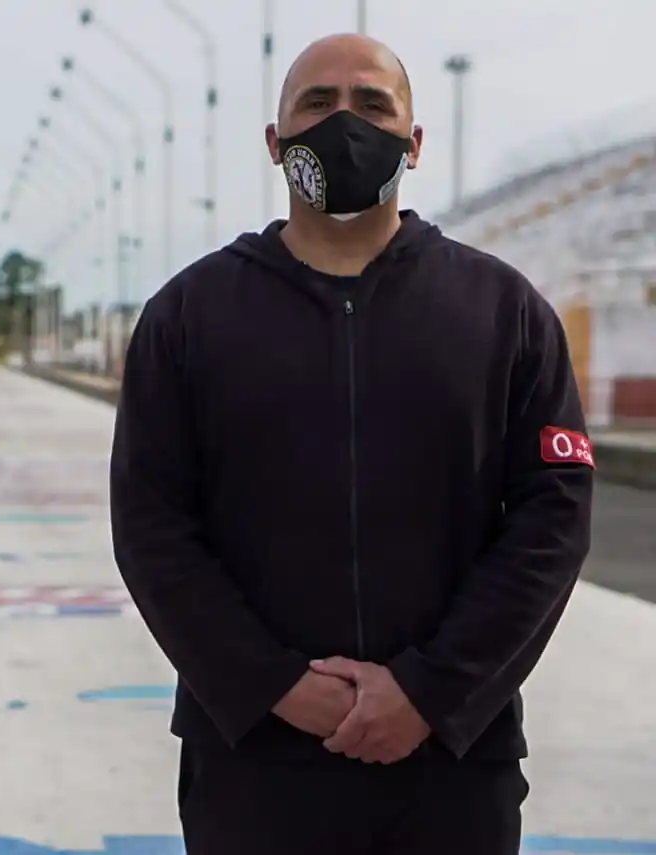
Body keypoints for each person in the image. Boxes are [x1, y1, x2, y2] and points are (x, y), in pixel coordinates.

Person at [110, 34, 593, 855]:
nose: (344, 123)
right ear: (275, 142)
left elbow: (553, 517)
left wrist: (430, 688)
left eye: (372, 105)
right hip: (254, 762)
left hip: (451, 760)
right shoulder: (189, 316)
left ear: (413, 143)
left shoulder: (501, 310)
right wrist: (275, 686)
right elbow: (153, 528)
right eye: (316, 103)